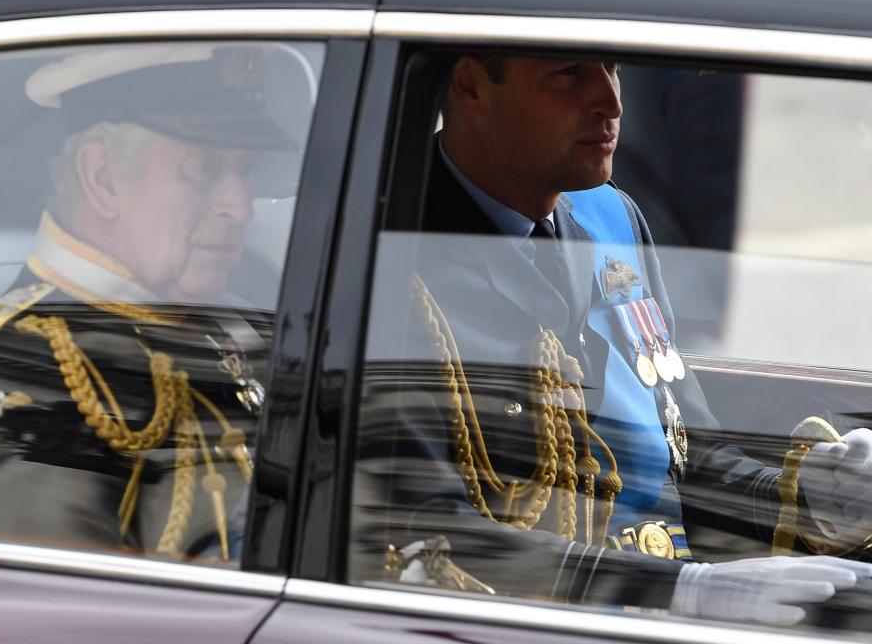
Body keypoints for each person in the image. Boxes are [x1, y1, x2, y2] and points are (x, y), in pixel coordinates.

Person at [355, 55, 872, 626]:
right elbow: (426, 528)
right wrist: (679, 591)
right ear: (472, 86)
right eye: (570, 73)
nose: (611, 101)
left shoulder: (610, 217)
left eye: (613, 68)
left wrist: (807, 502)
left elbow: (684, 452)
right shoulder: (391, 259)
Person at [0, 44, 287, 561]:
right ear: (103, 176)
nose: (240, 206)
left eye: (245, 169)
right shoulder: (21, 366)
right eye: (204, 168)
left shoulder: (229, 324)